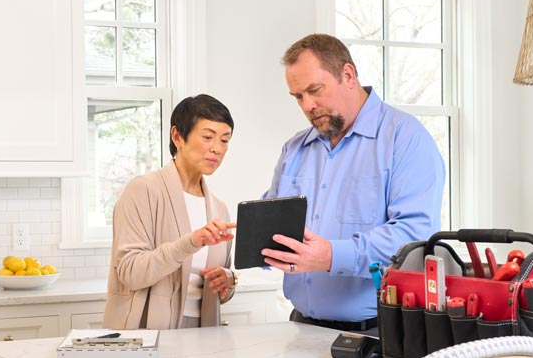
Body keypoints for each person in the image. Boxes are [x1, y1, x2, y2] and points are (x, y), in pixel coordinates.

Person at [262, 34, 445, 330]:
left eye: (314, 90)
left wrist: (331, 256)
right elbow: (274, 222)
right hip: (301, 328)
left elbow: (414, 239)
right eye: (298, 97)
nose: (307, 105)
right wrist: (252, 239)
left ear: (348, 75)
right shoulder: (294, 149)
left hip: (376, 333)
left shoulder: (406, 139)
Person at [103, 94, 238, 329]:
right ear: (177, 136)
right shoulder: (142, 190)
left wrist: (228, 281)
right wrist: (192, 241)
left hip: (202, 335)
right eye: (208, 137)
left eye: (225, 140)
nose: (217, 149)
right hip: (146, 335)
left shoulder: (219, 208)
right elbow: (130, 272)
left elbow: (220, 287)